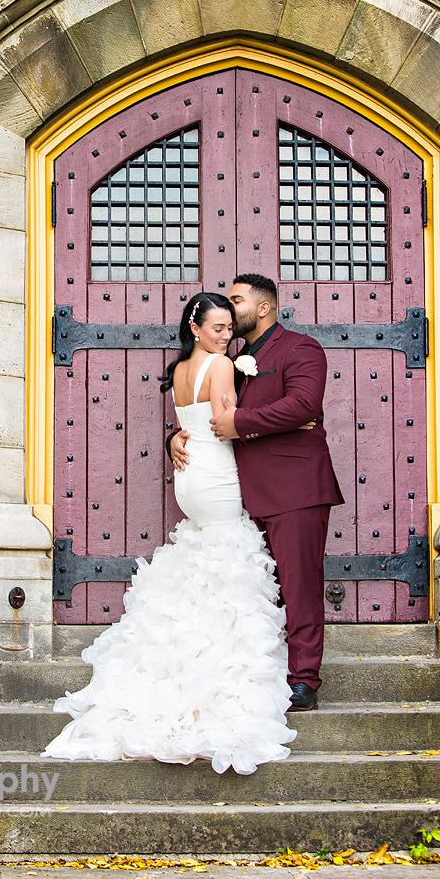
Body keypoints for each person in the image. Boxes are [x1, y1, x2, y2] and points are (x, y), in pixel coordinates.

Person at [40, 293, 297, 775]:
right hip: (216, 474)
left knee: (205, 554)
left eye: (229, 329)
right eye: (218, 328)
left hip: (190, 476)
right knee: (227, 558)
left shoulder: (180, 369)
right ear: (196, 328)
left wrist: (174, 437)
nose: (227, 336)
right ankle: (221, 663)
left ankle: (187, 647)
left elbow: (191, 423)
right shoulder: (221, 367)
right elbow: (226, 425)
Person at [172, 274, 345, 713]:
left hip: (295, 489)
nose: (230, 312)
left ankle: (304, 681)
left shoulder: (300, 348)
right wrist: (177, 433)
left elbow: (304, 404)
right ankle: (262, 673)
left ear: (263, 308)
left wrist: (242, 423)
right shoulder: (232, 358)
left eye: (237, 301)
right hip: (242, 494)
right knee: (260, 591)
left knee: (299, 587)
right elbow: (210, 415)